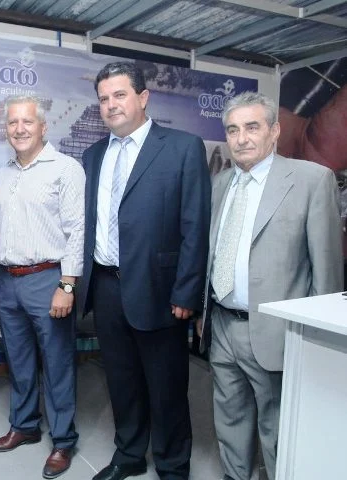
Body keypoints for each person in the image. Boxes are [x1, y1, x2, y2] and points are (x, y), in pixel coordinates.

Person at [197, 91, 343, 480]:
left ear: (275, 131)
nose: (241, 138)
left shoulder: (311, 180)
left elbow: (327, 273)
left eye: (252, 127)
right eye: (232, 130)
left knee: (279, 431)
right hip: (222, 325)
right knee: (229, 420)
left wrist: (316, 344)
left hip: (277, 335)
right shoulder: (220, 183)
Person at [78, 61, 211, 480]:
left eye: (120, 95)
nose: (111, 105)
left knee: (166, 385)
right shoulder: (93, 155)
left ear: (143, 97)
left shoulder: (182, 147)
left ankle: (172, 466)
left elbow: (195, 225)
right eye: (104, 98)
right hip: (106, 285)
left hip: (160, 289)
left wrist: (187, 292)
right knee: (121, 380)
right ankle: (130, 454)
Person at [0, 95, 85, 479]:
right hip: (8, 282)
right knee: (19, 361)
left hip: (48, 280)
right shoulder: (2, 175)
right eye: (12, 122)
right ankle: (24, 425)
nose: (19, 129)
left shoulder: (66, 169)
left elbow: (77, 232)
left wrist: (67, 286)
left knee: (57, 364)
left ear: (43, 126)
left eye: (27, 121)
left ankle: (63, 440)